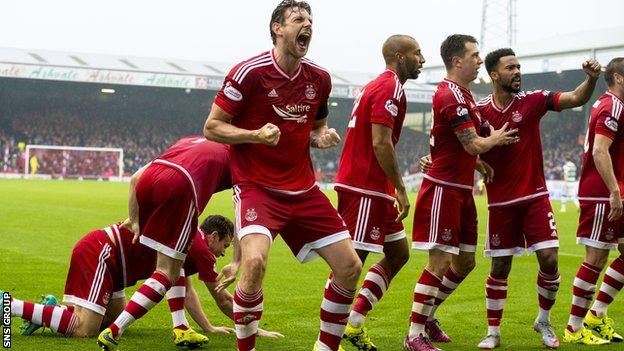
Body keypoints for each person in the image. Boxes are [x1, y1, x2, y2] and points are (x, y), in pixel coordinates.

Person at [203, 2, 362, 350]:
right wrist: (254, 135)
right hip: (257, 187)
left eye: (310, 20)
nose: (307, 25)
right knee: (255, 262)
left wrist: (322, 137)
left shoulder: (319, 79)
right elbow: (212, 127)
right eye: (297, 20)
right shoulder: (249, 73)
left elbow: (316, 127)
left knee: (350, 267)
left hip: (303, 189)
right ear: (277, 28)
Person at [465, 48, 599, 349]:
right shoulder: (480, 110)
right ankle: (493, 332)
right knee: (500, 266)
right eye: (510, 68)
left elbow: (576, 98)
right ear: (494, 75)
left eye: (519, 66)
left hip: (535, 196)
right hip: (500, 202)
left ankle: (544, 319)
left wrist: (590, 80)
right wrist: (478, 162)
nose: (517, 72)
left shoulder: (533, 100)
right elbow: (464, 145)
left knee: (550, 259)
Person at [403, 34, 519, 351]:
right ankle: (413, 335)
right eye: (475, 55)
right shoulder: (450, 95)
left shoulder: (465, 95)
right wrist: (494, 139)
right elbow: (472, 143)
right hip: (443, 190)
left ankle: (427, 316)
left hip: (462, 190)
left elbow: (463, 149)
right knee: (439, 263)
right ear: (458, 61)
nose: (480, 60)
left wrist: (479, 165)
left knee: (465, 262)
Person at [5, 215, 284, 345]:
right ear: (212, 236)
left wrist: (208, 326)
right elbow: (222, 299)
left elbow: (183, 289)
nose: (224, 252)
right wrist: (252, 328)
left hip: (115, 267)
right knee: (85, 330)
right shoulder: (200, 249)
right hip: (102, 253)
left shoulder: (189, 243)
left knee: (107, 319)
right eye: (224, 244)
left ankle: (49, 312)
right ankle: (11, 305)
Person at [96, 136, 233, 350]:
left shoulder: (191, 141)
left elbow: (134, 178)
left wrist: (133, 218)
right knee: (166, 271)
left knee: (175, 265)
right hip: (181, 185)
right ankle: (114, 330)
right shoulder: (237, 157)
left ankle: (181, 328)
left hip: (150, 180)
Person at [333, 34, 425, 351]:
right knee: (349, 264)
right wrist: (401, 187)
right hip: (365, 186)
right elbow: (380, 141)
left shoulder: (377, 85)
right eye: (417, 53)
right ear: (399, 57)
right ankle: (330, 338)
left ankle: (354, 323)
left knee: (399, 254)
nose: (422, 59)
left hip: (374, 187)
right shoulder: (390, 86)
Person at [564, 57, 624, 345]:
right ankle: (574, 328)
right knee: (596, 258)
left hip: (613, 191)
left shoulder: (616, 106)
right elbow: (600, 151)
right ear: (618, 78)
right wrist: (614, 191)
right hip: (602, 193)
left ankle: (596, 315)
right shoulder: (611, 105)